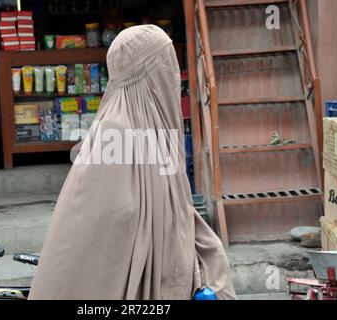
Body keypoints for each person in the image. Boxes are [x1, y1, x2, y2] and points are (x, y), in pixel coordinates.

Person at [28, 25, 235, 300]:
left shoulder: (155, 132)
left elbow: (177, 212)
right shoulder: (114, 134)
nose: (172, 77)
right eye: (166, 66)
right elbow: (108, 228)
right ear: (147, 76)